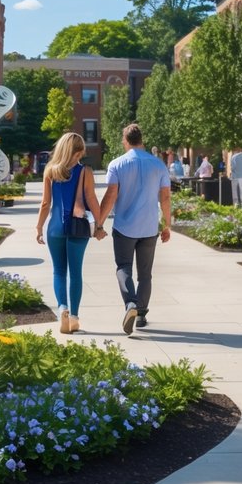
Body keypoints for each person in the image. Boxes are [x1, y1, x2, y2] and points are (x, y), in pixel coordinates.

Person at [96, 123, 171, 335]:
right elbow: (165, 197)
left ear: (126, 140)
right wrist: (167, 224)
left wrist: (99, 224)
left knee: (123, 268)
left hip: (124, 227)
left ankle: (130, 304)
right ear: (142, 140)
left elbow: (110, 196)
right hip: (149, 228)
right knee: (145, 274)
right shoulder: (158, 165)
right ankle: (141, 315)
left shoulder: (117, 164)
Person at [34, 132, 102, 335]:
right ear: (79, 152)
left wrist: (39, 227)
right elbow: (91, 199)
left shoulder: (50, 171)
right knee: (76, 273)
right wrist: (98, 226)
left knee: (58, 271)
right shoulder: (85, 172)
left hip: (55, 228)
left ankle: (62, 308)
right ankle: (74, 317)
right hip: (77, 228)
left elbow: (45, 203)